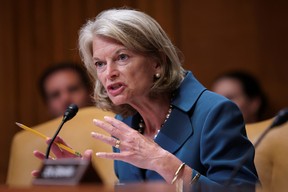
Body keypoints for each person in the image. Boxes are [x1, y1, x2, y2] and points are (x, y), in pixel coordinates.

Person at [33, 8, 258, 189]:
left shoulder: (214, 112)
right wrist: (86, 182)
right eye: (100, 63)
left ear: (157, 62)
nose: (108, 73)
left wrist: (163, 162)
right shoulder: (126, 123)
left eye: (121, 57)